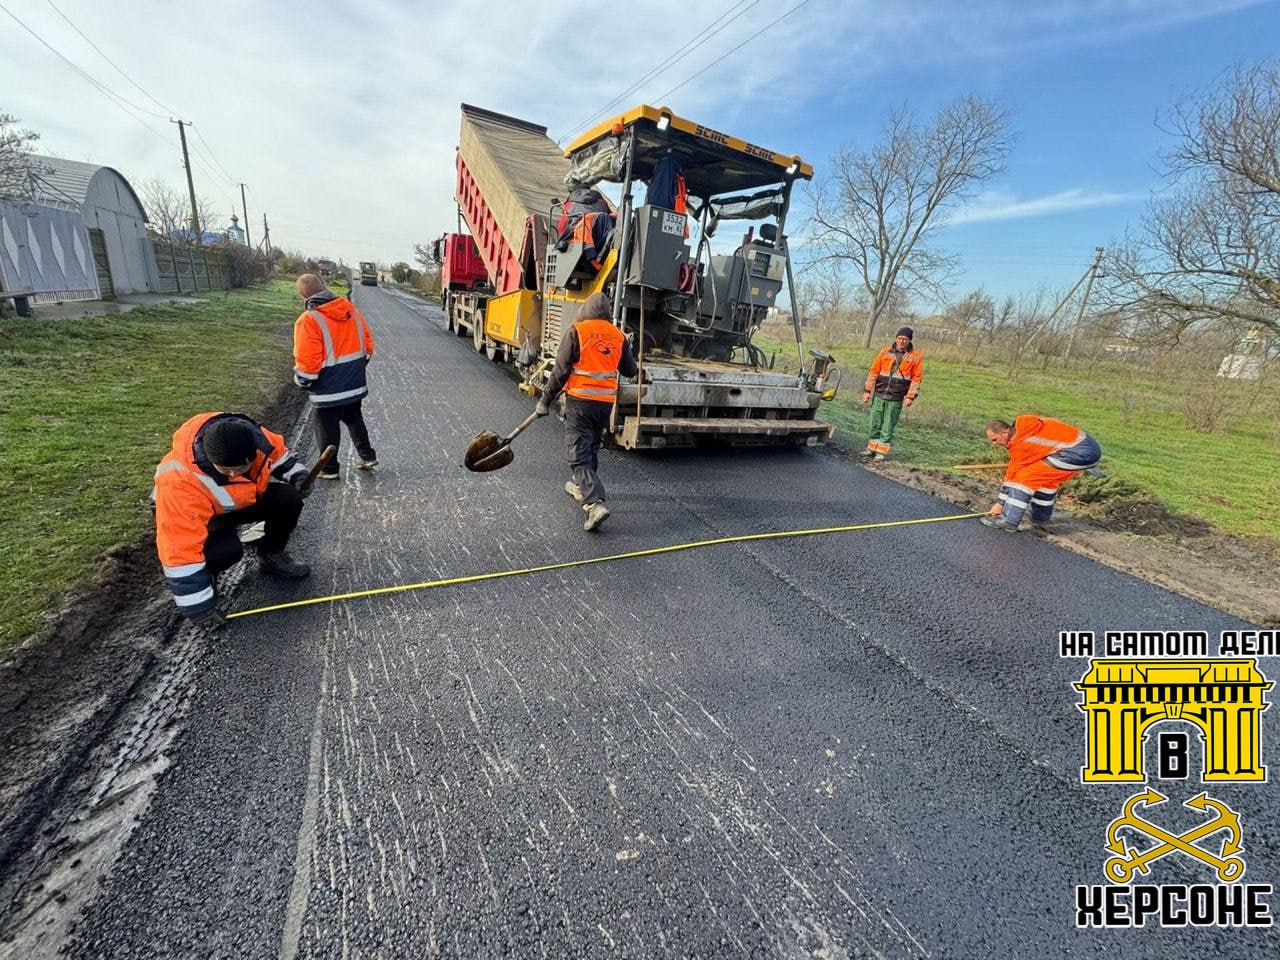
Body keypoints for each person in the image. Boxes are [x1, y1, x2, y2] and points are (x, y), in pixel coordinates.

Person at [153, 412, 312, 629]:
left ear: (253, 453)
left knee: (288, 499)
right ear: (211, 459)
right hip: (203, 515)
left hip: (239, 500)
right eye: (226, 470)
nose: (234, 474)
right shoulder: (179, 484)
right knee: (226, 551)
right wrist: (198, 607)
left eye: (239, 469)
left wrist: (299, 477)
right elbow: (179, 551)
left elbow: (280, 457)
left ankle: (272, 555)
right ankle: (207, 583)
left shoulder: (252, 437)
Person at [534, 291, 638, 531]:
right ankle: (581, 486)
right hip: (604, 405)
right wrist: (626, 348)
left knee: (578, 453)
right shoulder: (618, 336)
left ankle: (594, 503)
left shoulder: (577, 331)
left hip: (580, 402)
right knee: (590, 446)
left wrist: (545, 401)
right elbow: (630, 371)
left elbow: (560, 372)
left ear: (586, 310)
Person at [293, 273, 377, 478]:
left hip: (327, 388)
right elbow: (367, 345)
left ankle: (329, 469)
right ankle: (367, 456)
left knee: (326, 427)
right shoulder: (351, 311)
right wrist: (354, 370)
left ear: (303, 296)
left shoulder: (309, 320)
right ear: (323, 286)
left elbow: (308, 359)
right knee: (354, 419)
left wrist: (304, 381)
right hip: (354, 384)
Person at [981, 415, 1104, 532]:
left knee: (1024, 477)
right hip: (1086, 448)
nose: (994, 444)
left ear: (1005, 433)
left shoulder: (1021, 442)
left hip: (1078, 453)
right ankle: (1040, 517)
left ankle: (1009, 521)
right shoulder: (1026, 426)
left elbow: (1013, 475)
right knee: (1046, 480)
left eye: (995, 440)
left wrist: (1000, 504)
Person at [860, 327, 923, 462]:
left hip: (896, 396)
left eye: (905, 339)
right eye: (899, 338)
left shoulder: (916, 357)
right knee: (875, 422)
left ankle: (881, 452)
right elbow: (873, 371)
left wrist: (910, 397)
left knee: (888, 424)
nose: (901, 341)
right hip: (879, 393)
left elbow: (916, 379)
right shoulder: (885, 351)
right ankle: (871, 448)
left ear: (909, 340)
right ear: (896, 338)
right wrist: (867, 391)